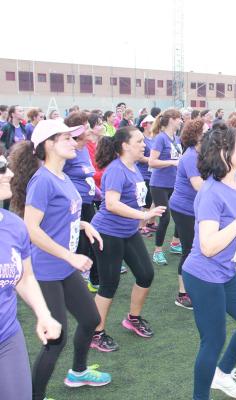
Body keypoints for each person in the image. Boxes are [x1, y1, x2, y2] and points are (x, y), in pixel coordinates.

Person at [10, 119, 111, 399]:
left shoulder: (63, 177)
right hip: (44, 272)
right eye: (66, 137)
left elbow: (58, 217)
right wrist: (70, 255)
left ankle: (77, 373)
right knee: (56, 338)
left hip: (64, 268)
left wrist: (83, 225)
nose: (73, 141)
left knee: (91, 318)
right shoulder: (42, 180)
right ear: (48, 145)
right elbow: (31, 228)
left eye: (72, 137)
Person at [182, 123, 236, 400]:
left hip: (225, 272)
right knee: (213, 341)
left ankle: (223, 374)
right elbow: (207, 246)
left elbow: (230, 226)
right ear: (223, 152)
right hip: (203, 275)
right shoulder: (210, 192)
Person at [88, 126, 165, 352]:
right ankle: (96, 333)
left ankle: (133, 318)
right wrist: (143, 215)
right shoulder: (116, 169)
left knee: (146, 274)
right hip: (107, 233)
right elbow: (111, 204)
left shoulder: (134, 168)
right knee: (109, 284)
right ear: (125, 145)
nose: (145, 144)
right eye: (140, 141)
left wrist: (141, 216)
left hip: (127, 231)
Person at [0, 154, 62, 400]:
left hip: (7, 336)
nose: (11, 174)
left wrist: (43, 314)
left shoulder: (14, 226)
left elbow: (24, 277)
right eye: (2, 168)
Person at [169, 119, 205, 309]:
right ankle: (182, 294)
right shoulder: (190, 156)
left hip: (194, 208)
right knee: (189, 250)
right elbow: (198, 185)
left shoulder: (202, 153)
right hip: (184, 208)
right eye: (205, 132)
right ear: (196, 136)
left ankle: (195, 285)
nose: (208, 135)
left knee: (197, 248)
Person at [62, 112, 99, 293]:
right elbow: (62, 176)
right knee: (79, 239)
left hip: (89, 199)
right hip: (76, 202)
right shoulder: (68, 150)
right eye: (86, 124)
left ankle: (90, 273)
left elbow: (89, 173)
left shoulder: (85, 148)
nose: (90, 128)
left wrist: (98, 192)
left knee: (89, 237)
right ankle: (79, 274)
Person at [148, 109, 183, 265]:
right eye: (179, 119)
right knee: (165, 218)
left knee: (181, 214)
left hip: (174, 183)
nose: (181, 121)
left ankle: (175, 243)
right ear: (171, 120)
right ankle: (157, 251)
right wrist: (172, 162)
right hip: (159, 185)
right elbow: (152, 162)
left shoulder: (176, 138)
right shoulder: (160, 139)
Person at [136, 114, 157, 236]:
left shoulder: (153, 138)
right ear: (144, 125)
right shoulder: (142, 139)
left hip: (152, 173)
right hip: (144, 174)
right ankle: (141, 227)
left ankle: (147, 223)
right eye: (150, 123)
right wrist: (151, 160)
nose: (153, 125)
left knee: (151, 201)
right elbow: (139, 157)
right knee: (145, 202)